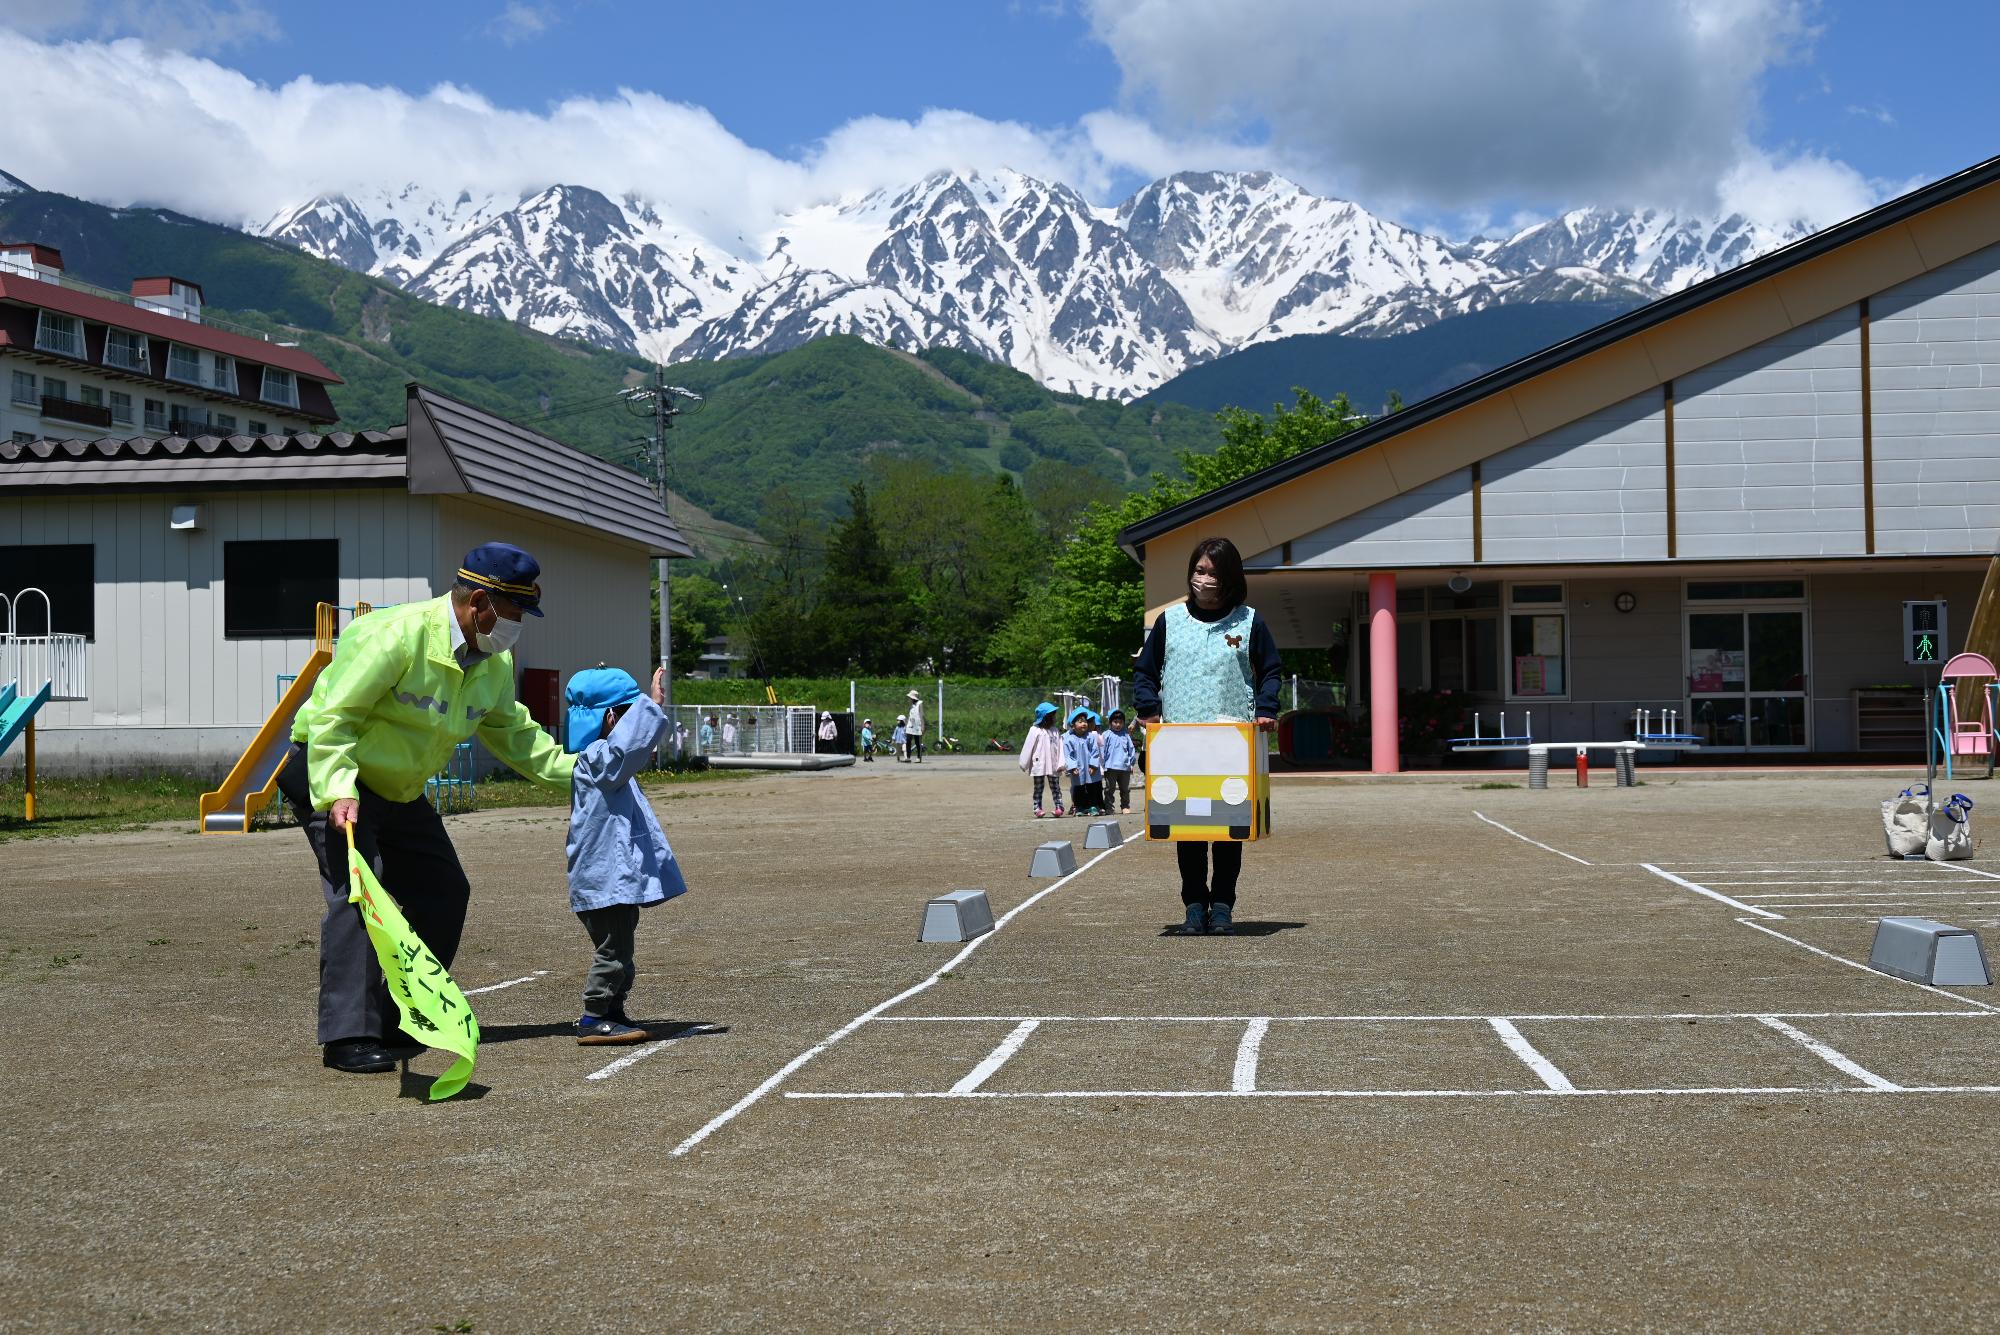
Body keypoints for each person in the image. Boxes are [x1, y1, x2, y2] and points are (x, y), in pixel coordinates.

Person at [275, 542, 577, 1073]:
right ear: (479, 602)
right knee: (360, 893)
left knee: (443, 889)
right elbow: (334, 719)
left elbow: (515, 735)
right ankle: (348, 1036)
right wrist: (339, 788)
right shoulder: (393, 635)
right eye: (512, 612)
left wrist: (586, 778)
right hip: (333, 774)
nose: (516, 625)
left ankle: (397, 1019)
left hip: (399, 789)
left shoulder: (492, 663)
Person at [1133, 536, 1283, 936]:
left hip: (1231, 743)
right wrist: (1148, 709)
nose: (1205, 579)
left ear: (1230, 578)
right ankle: (1194, 906)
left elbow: (1270, 670)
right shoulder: (1169, 622)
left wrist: (1267, 709)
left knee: (1227, 828)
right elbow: (1145, 672)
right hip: (1179, 743)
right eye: (1200, 571)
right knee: (1189, 830)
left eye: (1214, 573)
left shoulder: (1250, 621)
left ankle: (1223, 907)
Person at [564, 665, 687, 1044]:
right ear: (611, 717)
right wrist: (650, 705)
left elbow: (630, 750)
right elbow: (625, 750)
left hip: (610, 878)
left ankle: (612, 1010)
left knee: (621, 949)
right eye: (629, 714)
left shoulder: (605, 762)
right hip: (604, 879)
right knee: (613, 949)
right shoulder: (597, 759)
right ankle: (594, 1015)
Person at [1017, 700, 1068, 818]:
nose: (1055, 717)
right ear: (1045, 717)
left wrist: (1061, 764)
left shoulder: (1055, 731)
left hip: (1054, 764)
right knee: (1038, 787)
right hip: (1039, 764)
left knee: (1055, 787)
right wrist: (1023, 763)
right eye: (1052, 715)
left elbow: (1060, 748)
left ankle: (1059, 807)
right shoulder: (1034, 730)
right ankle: (1037, 808)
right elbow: (1028, 747)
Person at [1063, 707, 1102, 817]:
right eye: (1080, 722)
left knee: (1091, 787)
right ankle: (1080, 807)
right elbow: (1068, 755)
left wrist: (1093, 765)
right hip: (1077, 769)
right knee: (1078, 788)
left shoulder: (1090, 737)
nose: (1084, 724)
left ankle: (1093, 806)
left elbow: (1095, 752)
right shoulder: (1069, 739)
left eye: (1085, 721)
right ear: (1073, 725)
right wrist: (1072, 767)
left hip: (1089, 768)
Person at [1102, 710, 1138, 815]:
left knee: (1125, 789)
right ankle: (1109, 807)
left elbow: (1131, 750)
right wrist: (1102, 765)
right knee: (1109, 789)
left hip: (1125, 767)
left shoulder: (1126, 735)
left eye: (1120, 722)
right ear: (1110, 722)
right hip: (1110, 767)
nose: (1118, 724)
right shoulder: (1106, 735)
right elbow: (1102, 751)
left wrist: (1131, 764)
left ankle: (1125, 806)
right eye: (1115, 722)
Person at [904, 688, 927, 763]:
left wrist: (923, 726)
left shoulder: (919, 703)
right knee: (908, 741)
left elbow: (921, 715)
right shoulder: (911, 705)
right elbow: (909, 716)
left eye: (910, 698)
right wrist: (906, 725)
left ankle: (918, 757)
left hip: (918, 725)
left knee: (918, 742)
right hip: (910, 725)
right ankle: (908, 757)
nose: (909, 699)